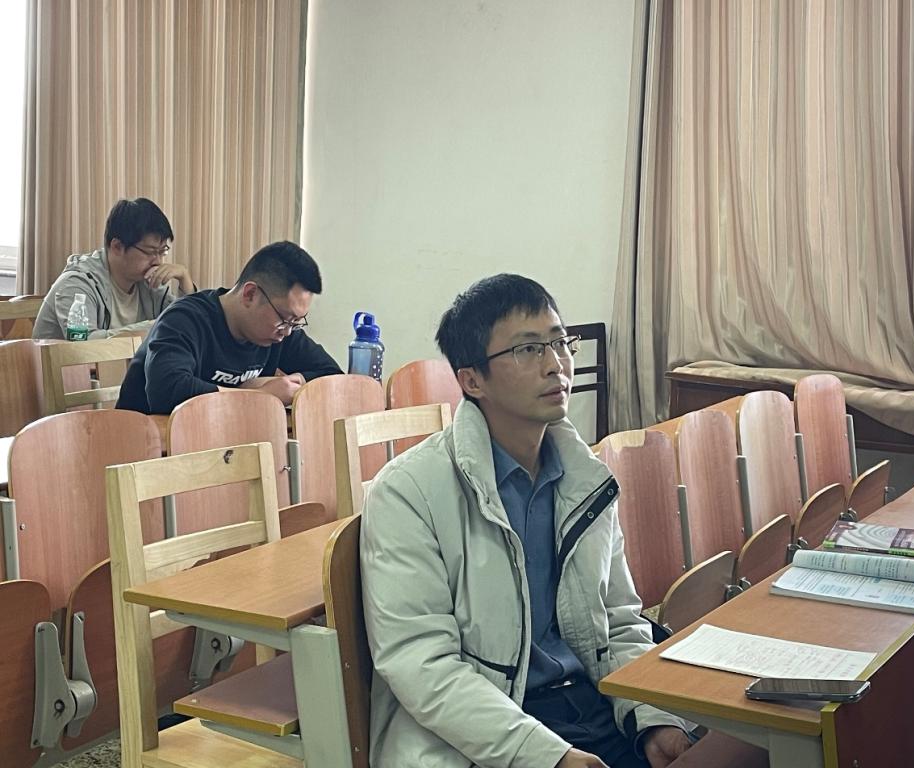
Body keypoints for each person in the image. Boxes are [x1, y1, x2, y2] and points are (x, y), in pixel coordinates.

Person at [360, 274, 697, 768]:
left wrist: (655, 718)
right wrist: (547, 757)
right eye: (528, 349)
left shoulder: (586, 480)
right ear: (472, 380)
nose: (556, 364)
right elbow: (422, 665)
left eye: (560, 343)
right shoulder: (408, 492)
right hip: (483, 730)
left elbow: (620, 619)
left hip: (591, 705)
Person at [116, 240, 341, 415]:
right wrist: (256, 395)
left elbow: (332, 376)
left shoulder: (280, 331)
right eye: (285, 318)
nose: (288, 331)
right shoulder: (184, 319)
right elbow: (167, 391)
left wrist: (291, 384)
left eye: (296, 321)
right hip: (147, 446)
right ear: (250, 294)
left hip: (217, 442)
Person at [33, 197, 197, 339]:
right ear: (117, 246)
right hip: (62, 367)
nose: (158, 261)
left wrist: (185, 279)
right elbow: (83, 344)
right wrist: (154, 327)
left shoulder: (148, 282)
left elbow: (186, 327)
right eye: (150, 252)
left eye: (162, 251)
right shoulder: (76, 284)